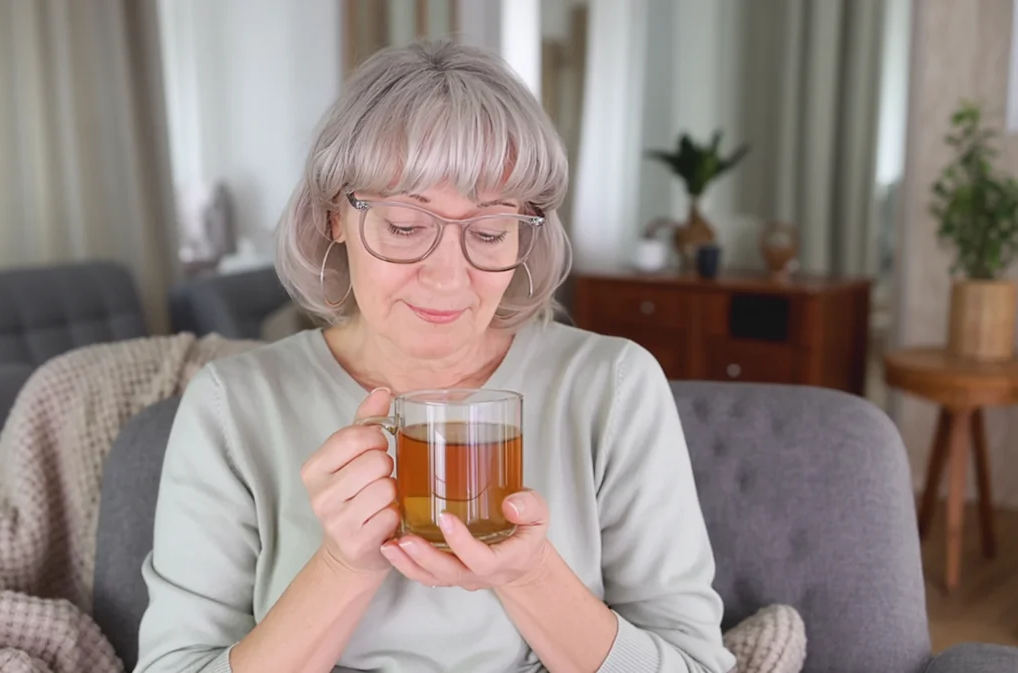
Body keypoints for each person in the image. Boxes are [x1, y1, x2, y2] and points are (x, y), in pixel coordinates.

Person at [135, 40, 736, 673]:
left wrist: (530, 575)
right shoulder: (236, 405)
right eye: (404, 226)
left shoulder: (612, 387)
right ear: (334, 214)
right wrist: (341, 567)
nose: (448, 278)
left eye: (489, 232)